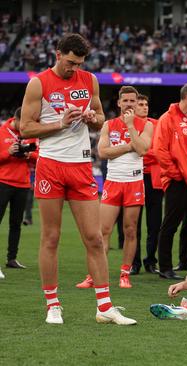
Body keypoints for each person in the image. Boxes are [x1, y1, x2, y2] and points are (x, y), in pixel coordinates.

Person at [19, 33, 135, 324]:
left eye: (79, 63)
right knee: (51, 236)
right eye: (70, 62)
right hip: (51, 164)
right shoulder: (39, 83)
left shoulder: (89, 79)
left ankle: (105, 307)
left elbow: (99, 115)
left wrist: (91, 119)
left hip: (81, 165)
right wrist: (60, 123)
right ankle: (53, 305)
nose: (74, 68)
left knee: (95, 239)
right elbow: (25, 128)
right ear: (58, 54)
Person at [76, 86, 153, 289]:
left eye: (132, 101)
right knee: (103, 230)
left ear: (137, 103)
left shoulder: (146, 125)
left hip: (134, 182)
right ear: (119, 103)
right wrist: (129, 146)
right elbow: (102, 152)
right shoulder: (109, 125)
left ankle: (124, 274)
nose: (129, 104)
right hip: (113, 181)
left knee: (130, 230)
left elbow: (143, 149)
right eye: (125, 100)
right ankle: (93, 276)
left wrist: (129, 127)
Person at [154, 82, 187, 280]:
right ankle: (165, 267)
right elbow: (160, 150)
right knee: (170, 224)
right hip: (178, 181)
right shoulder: (167, 119)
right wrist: (177, 175)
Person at [0, 108, 37, 272]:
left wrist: (29, 155)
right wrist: (8, 153)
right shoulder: (1, 132)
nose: (24, 127)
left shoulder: (30, 133)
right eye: (23, 123)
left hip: (22, 184)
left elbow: (39, 155)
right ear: (15, 119)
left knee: (16, 224)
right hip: (3, 182)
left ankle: (12, 258)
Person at [133, 94, 163, 274]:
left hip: (154, 179)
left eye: (146, 104)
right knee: (132, 223)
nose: (144, 107)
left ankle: (151, 261)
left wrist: (142, 152)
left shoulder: (156, 124)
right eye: (140, 104)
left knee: (154, 224)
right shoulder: (128, 125)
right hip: (135, 177)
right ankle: (134, 263)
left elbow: (158, 151)